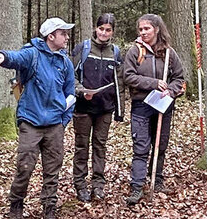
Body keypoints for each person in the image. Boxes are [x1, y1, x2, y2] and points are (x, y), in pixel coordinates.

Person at [0, 17, 75, 219]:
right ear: (51, 36)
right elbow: (16, 58)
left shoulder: (65, 62)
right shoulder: (33, 53)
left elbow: (70, 93)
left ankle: (49, 210)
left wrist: (63, 120)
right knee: (25, 167)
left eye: (66, 33)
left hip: (55, 124)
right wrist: (3, 56)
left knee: (52, 170)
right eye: (62, 33)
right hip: (31, 122)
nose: (66, 37)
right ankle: (16, 205)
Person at [123, 14, 185, 204]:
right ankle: (137, 186)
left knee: (160, 144)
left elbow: (179, 78)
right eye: (141, 29)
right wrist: (153, 83)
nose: (143, 32)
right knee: (141, 146)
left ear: (157, 29)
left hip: (163, 105)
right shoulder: (135, 52)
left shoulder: (168, 53)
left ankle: (156, 179)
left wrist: (171, 91)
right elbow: (128, 76)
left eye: (147, 29)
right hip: (142, 105)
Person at [71, 13, 125, 202]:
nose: (104, 32)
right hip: (82, 108)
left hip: (105, 109)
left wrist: (120, 111)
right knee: (81, 146)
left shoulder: (116, 53)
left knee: (100, 146)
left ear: (112, 32)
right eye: (101, 28)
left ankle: (98, 185)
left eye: (108, 30)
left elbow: (119, 83)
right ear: (96, 28)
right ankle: (80, 185)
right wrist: (80, 90)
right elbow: (71, 77)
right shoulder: (83, 48)